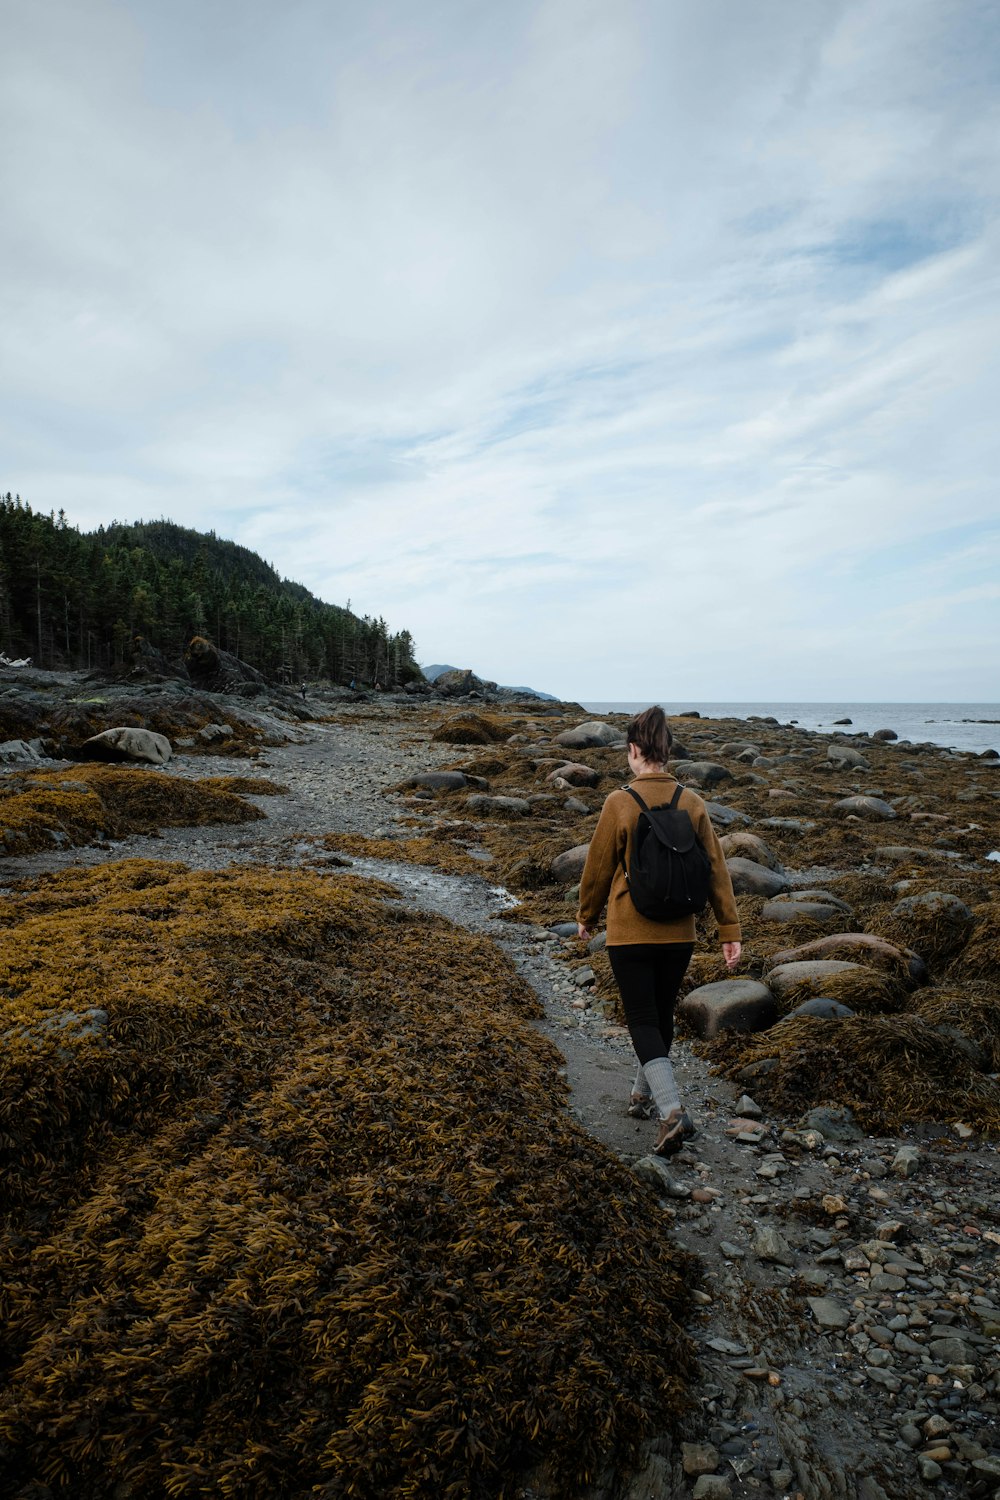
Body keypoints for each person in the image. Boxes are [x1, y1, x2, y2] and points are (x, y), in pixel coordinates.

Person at [576, 706, 741, 1156]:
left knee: (642, 1020)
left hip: (630, 932)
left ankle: (672, 1111)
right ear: (667, 752)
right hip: (680, 933)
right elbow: (717, 872)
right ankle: (641, 1096)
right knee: (660, 1013)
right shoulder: (693, 801)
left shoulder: (620, 801)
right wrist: (729, 929)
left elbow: (597, 867)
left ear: (633, 750)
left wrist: (586, 915)